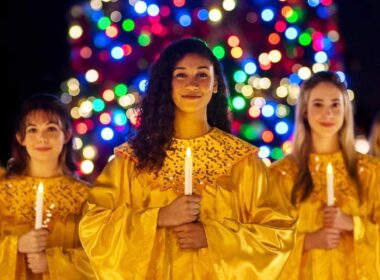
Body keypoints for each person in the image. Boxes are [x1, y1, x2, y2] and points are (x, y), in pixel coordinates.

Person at [79, 37, 297, 279]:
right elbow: (94, 226)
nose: (192, 84)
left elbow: (278, 233)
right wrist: (159, 217)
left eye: (202, 75)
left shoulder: (241, 161)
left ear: (215, 84)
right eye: (181, 75)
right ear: (167, 84)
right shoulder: (132, 161)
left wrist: (212, 237)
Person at [269, 71, 380, 279]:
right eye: (318, 104)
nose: (327, 114)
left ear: (346, 110)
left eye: (335, 105)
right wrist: (306, 242)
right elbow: (261, 244)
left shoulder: (372, 173)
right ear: (304, 111)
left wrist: (353, 224)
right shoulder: (280, 175)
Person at [0, 93, 95, 279]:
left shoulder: (87, 197)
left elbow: (104, 257)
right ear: (21, 138)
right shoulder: (2, 190)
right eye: (33, 130)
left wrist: (54, 262)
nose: (42, 138)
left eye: (51, 129)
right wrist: (15, 245)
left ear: (66, 135)